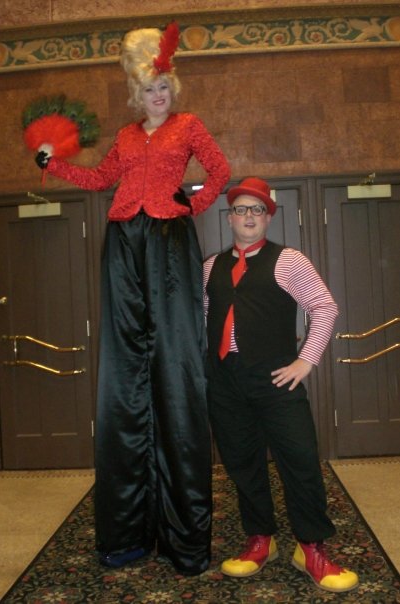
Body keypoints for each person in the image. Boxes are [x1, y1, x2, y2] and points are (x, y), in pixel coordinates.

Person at [35, 23, 230, 576]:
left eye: (164, 86)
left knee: (173, 363)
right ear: (136, 92)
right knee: (126, 369)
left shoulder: (189, 125)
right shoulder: (124, 136)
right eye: (149, 89)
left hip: (168, 240)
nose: (158, 95)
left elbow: (219, 170)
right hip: (124, 241)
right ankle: (127, 532)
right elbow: (99, 180)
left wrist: (193, 206)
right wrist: (53, 163)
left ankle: (184, 538)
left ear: (172, 87)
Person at [203, 177, 359, 592]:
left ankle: (310, 546)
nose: (248, 216)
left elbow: (324, 307)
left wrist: (304, 362)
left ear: (268, 217)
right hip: (225, 381)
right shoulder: (210, 267)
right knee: (242, 464)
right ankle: (260, 540)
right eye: (241, 209)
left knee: (301, 462)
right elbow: (203, 319)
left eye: (257, 209)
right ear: (230, 216)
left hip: (275, 378)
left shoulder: (290, 261)